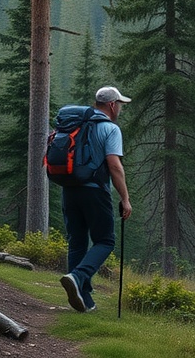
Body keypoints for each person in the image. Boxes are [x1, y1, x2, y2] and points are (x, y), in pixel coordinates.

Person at [60, 85, 133, 312]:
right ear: (112, 105)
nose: (120, 108)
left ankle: (84, 300)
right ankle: (78, 276)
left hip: (69, 188)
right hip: (95, 190)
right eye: (119, 104)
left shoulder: (76, 125)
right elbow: (114, 165)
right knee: (105, 241)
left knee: (78, 241)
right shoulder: (110, 129)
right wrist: (125, 198)